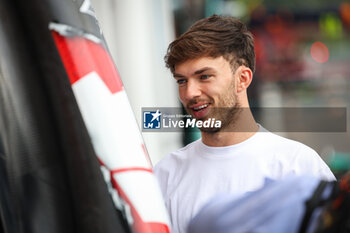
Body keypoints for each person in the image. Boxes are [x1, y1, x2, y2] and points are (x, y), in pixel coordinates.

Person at [153, 15, 335, 233]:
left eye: (204, 77)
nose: (190, 93)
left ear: (243, 79)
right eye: (182, 80)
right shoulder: (165, 174)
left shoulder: (297, 165)